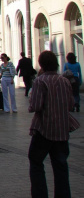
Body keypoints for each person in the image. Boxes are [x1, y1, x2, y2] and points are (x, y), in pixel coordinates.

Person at [28, 50, 80, 198]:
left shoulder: (40, 81)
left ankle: (40, 194)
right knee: (61, 166)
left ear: (41, 64)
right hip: (62, 129)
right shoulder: (64, 80)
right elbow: (70, 104)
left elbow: (36, 106)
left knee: (36, 162)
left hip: (44, 129)